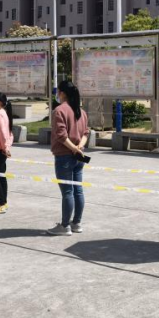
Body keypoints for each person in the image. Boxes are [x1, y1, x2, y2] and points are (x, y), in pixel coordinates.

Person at [47, 80, 89, 236]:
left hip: (64, 156)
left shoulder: (59, 111)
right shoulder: (81, 111)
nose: (57, 94)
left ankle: (65, 226)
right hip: (79, 156)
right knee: (78, 190)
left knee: (67, 192)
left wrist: (73, 148)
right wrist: (79, 148)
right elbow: (86, 133)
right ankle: (76, 223)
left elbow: (61, 136)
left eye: (58, 91)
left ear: (62, 93)